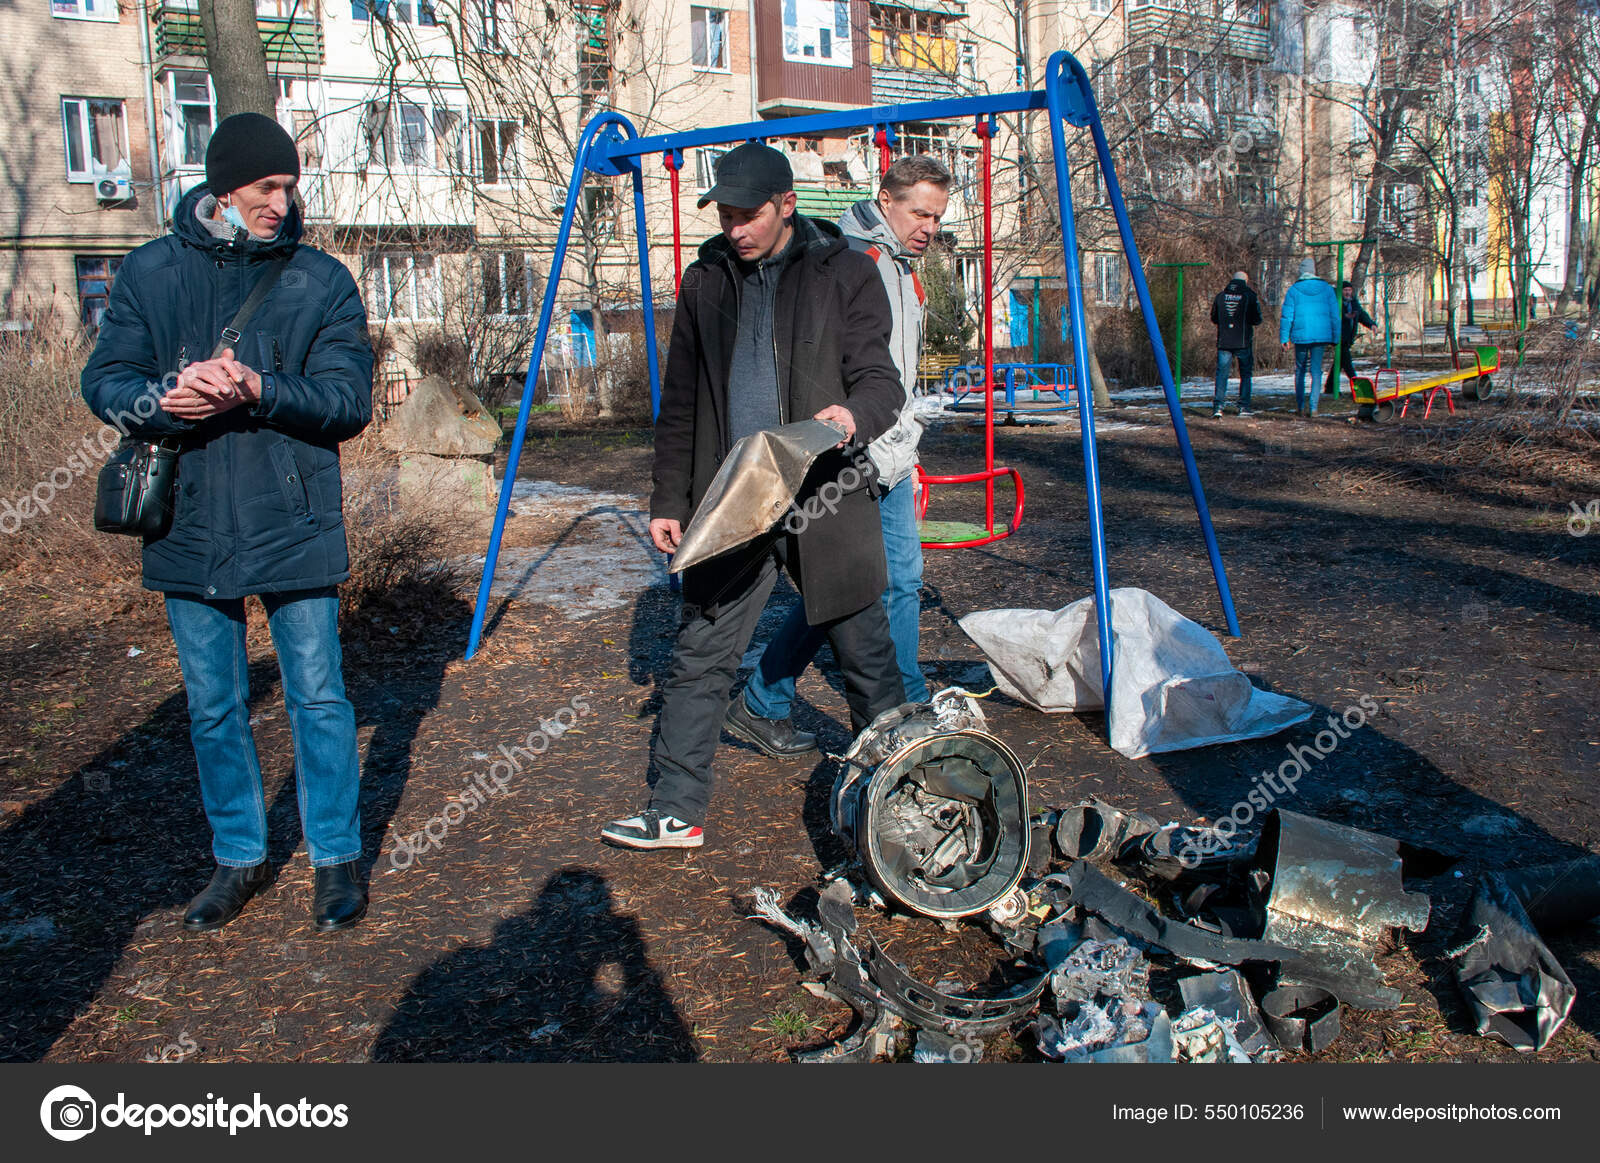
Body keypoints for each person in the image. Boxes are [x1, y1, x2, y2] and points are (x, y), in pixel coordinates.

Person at [82, 113, 374, 932]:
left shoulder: (321, 281)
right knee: (214, 703)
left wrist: (261, 387)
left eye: (289, 187)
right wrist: (159, 400)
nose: (281, 202)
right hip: (189, 521)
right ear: (222, 190)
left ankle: (336, 859)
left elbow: (349, 402)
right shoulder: (149, 272)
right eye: (264, 189)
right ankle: (238, 858)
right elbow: (106, 377)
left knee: (318, 696)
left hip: (294, 520)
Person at [602, 143, 906, 850]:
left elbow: (881, 381)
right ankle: (675, 809)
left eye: (749, 216)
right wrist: (668, 498)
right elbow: (679, 402)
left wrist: (852, 416)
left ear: (787, 206)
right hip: (735, 494)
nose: (735, 229)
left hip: (823, 491)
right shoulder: (705, 281)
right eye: (727, 215)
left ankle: (905, 793)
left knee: (863, 654)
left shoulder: (846, 275)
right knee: (701, 650)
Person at [730, 156, 950, 755]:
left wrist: (904, 438)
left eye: (937, 215)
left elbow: (894, 368)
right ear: (886, 200)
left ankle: (770, 698)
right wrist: (863, 444)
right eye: (919, 212)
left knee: (896, 583)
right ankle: (889, 706)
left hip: (895, 449)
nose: (929, 226)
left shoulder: (904, 265)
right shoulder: (850, 261)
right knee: (852, 586)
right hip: (854, 453)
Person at [1278, 257, 1340, 417]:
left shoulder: (1293, 290)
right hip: (1321, 336)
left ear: (1301, 271)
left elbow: (1286, 317)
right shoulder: (1327, 289)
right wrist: (1336, 336)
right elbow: (1335, 315)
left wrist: (1284, 337)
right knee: (1316, 371)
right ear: (1314, 271)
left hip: (1300, 335)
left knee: (1300, 370)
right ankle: (1313, 407)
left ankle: (1300, 406)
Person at [1210, 269, 1262, 418]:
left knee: (1222, 375)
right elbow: (1257, 319)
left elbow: (1214, 318)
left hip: (1224, 341)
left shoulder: (1220, 296)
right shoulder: (1249, 296)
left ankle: (1218, 406)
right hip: (1243, 341)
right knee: (1245, 374)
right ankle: (1243, 406)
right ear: (1245, 282)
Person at [1323, 281, 1377, 394]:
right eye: (1345, 290)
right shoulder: (1335, 302)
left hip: (1348, 338)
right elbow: (1331, 316)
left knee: (1340, 362)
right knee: (1348, 365)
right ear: (1341, 291)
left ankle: (1329, 388)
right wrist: (1344, 316)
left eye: (1349, 290)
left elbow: (1361, 315)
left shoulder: (1353, 302)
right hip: (1339, 337)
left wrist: (1371, 324)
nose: (1348, 292)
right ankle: (1359, 389)